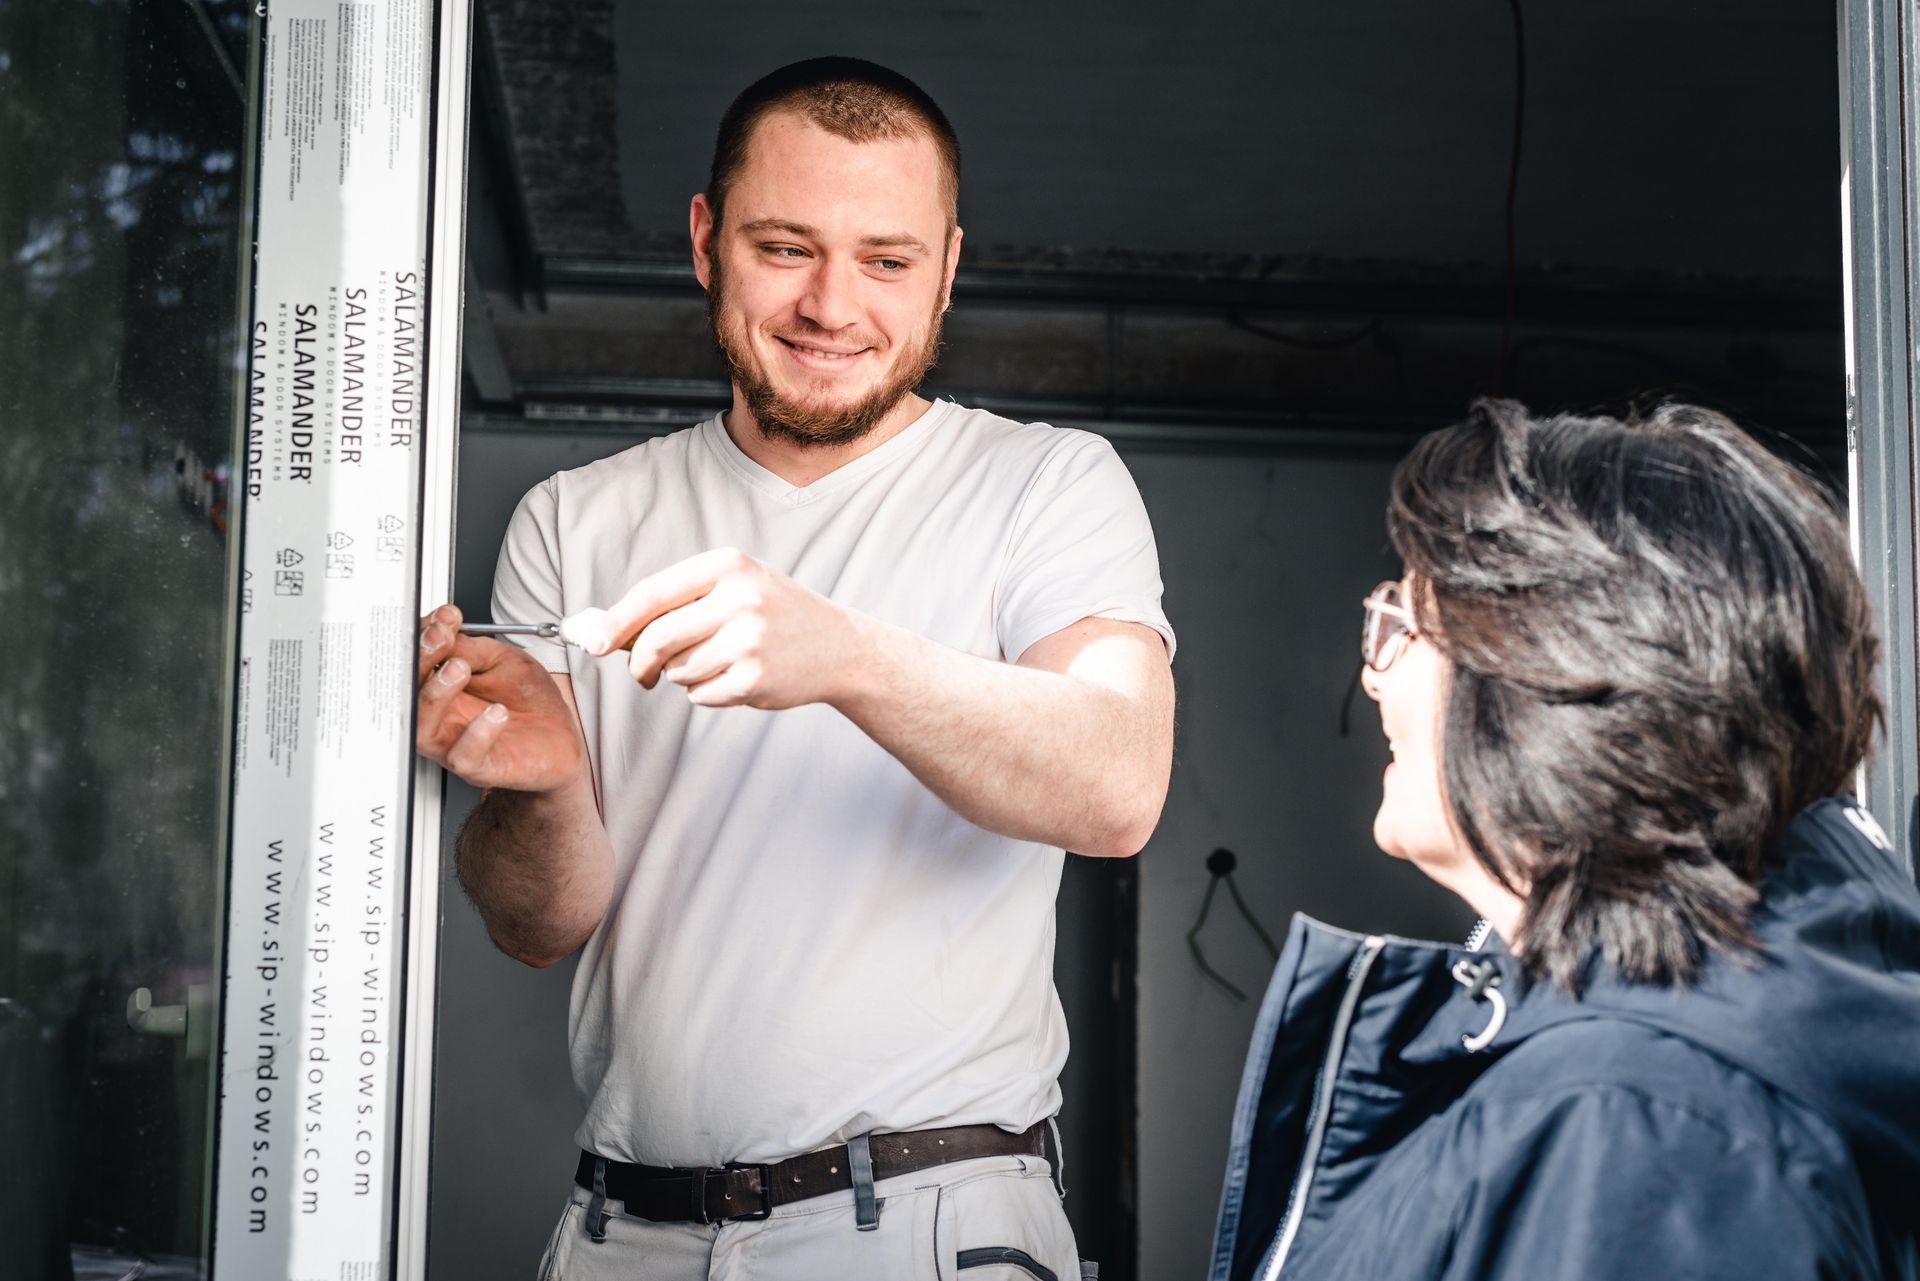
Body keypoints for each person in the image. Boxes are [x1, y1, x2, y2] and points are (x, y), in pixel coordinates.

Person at [415, 57, 1176, 1280]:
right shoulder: (574, 519)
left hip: (927, 1224)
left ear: (948, 267)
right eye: (786, 248)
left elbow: (1118, 786)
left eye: (886, 259)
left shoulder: (1049, 482)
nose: (833, 304)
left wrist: (844, 657)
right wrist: (544, 789)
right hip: (621, 1237)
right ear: (707, 241)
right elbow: (533, 927)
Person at [1210, 399, 1920, 1280]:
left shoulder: (1645, 1130)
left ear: (1550, 675)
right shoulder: (1665, 1079)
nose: (1371, 671)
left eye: (1403, 624)